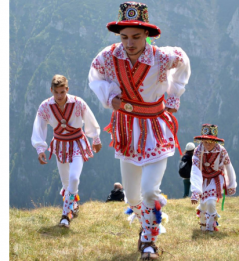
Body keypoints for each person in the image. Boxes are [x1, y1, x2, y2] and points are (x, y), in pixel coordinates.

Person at [88, 2, 191, 259]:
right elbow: (94, 76)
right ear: (118, 35)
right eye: (124, 37)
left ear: (147, 34)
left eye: (136, 36)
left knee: (148, 190)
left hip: (156, 126)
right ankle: (146, 217)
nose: (130, 43)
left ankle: (148, 240)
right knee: (133, 195)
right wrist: (110, 97)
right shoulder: (108, 57)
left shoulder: (163, 57)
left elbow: (184, 62)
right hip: (125, 129)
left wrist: (174, 96)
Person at [31, 74, 102, 228]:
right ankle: (74, 204)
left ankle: (66, 215)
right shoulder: (45, 107)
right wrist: (40, 149)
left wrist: (95, 139)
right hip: (60, 145)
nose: (59, 96)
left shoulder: (78, 103)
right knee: (65, 182)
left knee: (74, 178)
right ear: (51, 90)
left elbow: (89, 119)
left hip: (77, 143)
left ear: (67, 90)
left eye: (62, 92)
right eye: (56, 92)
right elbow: (39, 127)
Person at [190, 124, 237, 232]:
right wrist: (195, 191)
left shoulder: (222, 151)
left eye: (211, 141)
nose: (208, 144)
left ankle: (210, 228)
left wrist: (231, 184)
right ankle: (203, 225)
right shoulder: (198, 151)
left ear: (215, 141)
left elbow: (228, 167)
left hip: (216, 178)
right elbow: (195, 170)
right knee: (202, 204)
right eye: (205, 141)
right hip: (202, 179)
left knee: (211, 202)